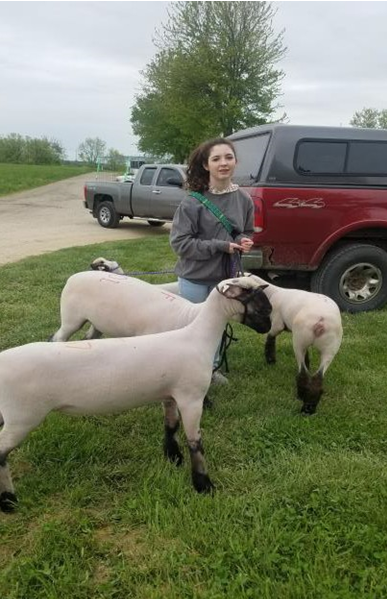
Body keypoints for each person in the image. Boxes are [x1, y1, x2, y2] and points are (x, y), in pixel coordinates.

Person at [170, 137, 255, 384]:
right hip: (195, 277)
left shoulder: (244, 199)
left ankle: (211, 369)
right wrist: (221, 246)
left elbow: (244, 230)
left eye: (228, 157)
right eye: (216, 158)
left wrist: (244, 240)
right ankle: (183, 374)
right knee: (190, 328)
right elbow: (180, 244)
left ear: (235, 162)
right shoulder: (192, 201)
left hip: (226, 277)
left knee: (216, 326)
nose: (223, 163)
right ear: (206, 165)